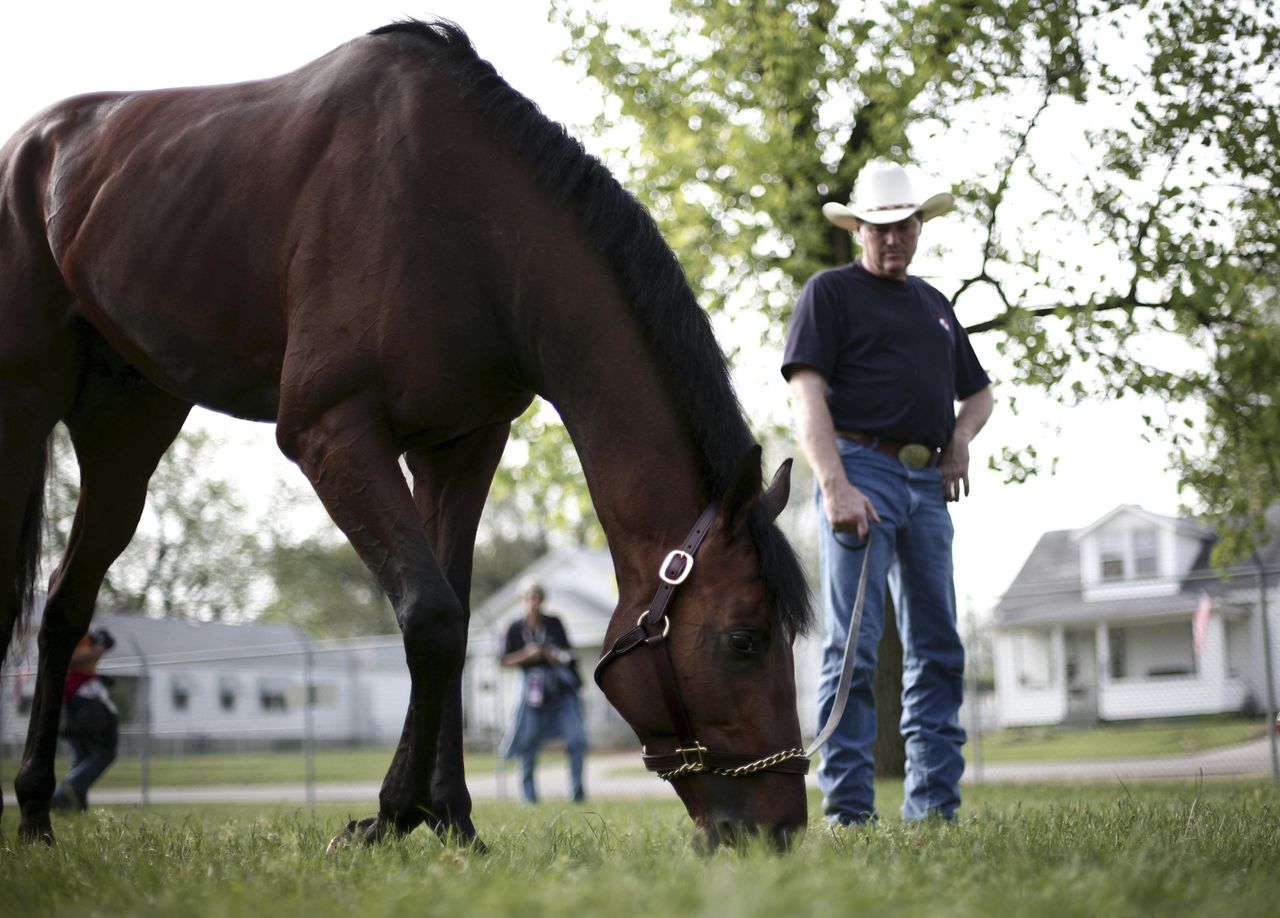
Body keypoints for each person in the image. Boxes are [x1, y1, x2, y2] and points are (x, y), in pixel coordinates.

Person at [782, 161, 994, 825]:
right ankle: (849, 812)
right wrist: (834, 485)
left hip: (927, 483)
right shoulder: (830, 293)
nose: (893, 238)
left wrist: (960, 439)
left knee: (937, 647)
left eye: (904, 225)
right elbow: (806, 395)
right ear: (858, 230)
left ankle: (934, 808)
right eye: (879, 228)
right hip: (860, 471)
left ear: (920, 226)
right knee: (854, 646)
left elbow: (979, 394)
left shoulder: (935, 305)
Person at [499, 580, 588, 803]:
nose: (533, 601)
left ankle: (577, 794)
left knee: (576, 738)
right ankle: (529, 799)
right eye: (528, 596)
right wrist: (527, 655)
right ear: (521, 600)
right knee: (528, 742)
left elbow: (569, 654)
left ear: (542, 599)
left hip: (558, 690)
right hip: (530, 691)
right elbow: (504, 660)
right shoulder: (514, 627)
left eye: (537, 596)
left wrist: (552, 654)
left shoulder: (554, 623)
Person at [52, 627, 120, 812]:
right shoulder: (70, 633)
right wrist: (98, 649)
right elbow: (70, 661)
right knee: (105, 752)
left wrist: (98, 669)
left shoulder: (82, 634)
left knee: (82, 755)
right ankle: (62, 794)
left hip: (80, 698)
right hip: (83, 703)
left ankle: (75, 807)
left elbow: (85, 663)